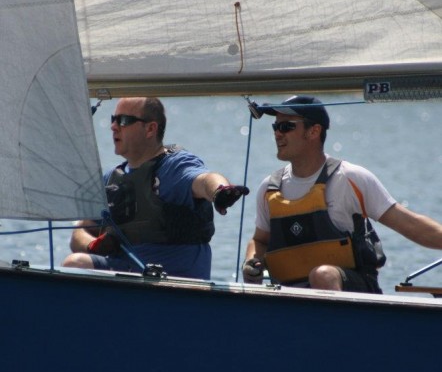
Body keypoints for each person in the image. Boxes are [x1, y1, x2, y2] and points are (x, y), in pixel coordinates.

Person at [242, 94, 442, 293]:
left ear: (314, 131)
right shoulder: (269, 188)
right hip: (291, 298)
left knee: (322, 275)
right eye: (275, 127)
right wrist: (251, 260)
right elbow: (260, 241)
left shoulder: (350, 179)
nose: (277, 134)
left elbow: (411, 225)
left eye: (286, 127)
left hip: (354, 294)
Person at [63, 97, 248, 279]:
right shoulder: (110, 179)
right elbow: (80, 232)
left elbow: (204, 179)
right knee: (74, 264)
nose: (113, 126)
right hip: (126, 275)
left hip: (174, 282)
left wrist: (220, 190)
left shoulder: (174, 167)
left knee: (76, 264)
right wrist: (93, 245)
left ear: (150, 129)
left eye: (124, 120)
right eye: (113, 119)